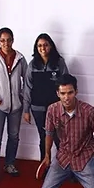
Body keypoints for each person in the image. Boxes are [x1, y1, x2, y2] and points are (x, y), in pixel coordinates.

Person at [38, 74, 94, 188]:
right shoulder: (52, 110)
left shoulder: (89, 112)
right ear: (57, 93)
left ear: (76, 91)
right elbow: (49, 133)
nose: (66, 97)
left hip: (84, 159)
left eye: (70, 93)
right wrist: (47, 155)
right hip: (63, 157)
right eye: (63, 93)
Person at [0, 27, 28, 187]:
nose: (6, 43)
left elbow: (28, 81)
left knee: (14, 136)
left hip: (15, 106)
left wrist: (21, 96)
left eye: (9, 40)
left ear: (13, 40)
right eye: (3, 40)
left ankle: (9, 164)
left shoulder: (20, 59)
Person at [23, 33, 68, 161]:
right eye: (40, 46)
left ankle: (65, 166)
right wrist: (26, 110)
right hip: (37, 108)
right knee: (43, 137)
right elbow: (27, 88)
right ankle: (45, 164)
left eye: (45, 45)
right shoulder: (32, 64)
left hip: (56, 108)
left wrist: (66, 106)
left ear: (51, 46)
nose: (43, 48)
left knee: (59, 137)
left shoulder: (59, 63)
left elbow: (66, 85)